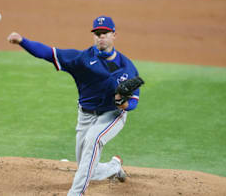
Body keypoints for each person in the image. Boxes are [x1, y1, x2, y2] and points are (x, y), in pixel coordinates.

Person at [8, 16, 141, 196]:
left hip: (112, 114)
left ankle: (76, 193)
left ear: (114, 35)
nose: (101, 36)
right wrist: (23, 42)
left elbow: (133, 102)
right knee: (88, 167)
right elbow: (48, 53)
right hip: (85, 115)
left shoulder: (127, 67)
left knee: (94, 140)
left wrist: (122, 103)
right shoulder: (81, 60)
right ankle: (114, 167)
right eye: (97, 33)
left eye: (105, 33)